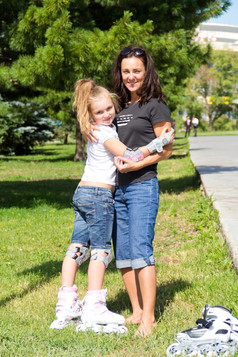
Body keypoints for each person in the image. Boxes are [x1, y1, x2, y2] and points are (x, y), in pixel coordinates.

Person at [50, 78, 173, 333]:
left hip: (81, 192)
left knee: (76, 248)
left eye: (109, 109)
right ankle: (94, 303)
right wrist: (158, 143)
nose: (107, 114)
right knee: (101, 251)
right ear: (91, 114)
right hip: (99, 195)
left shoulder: (91, 128)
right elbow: (129, 155)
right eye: (100, 111)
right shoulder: (104, 131)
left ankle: (66, 304)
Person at [87, 45, 173, 337]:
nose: (131, 76)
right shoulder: (120, 106)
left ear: (146, 71)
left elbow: (166, 150)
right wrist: (88, 125)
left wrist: (134, 166)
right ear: (120, 73)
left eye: (137, 70)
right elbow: (101, 121)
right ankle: (136, 312)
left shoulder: (155, 105)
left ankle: (149, 318)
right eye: (126, 71)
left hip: (142, 186)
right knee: (123, 253)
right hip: (116, 190)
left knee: (140, 249)